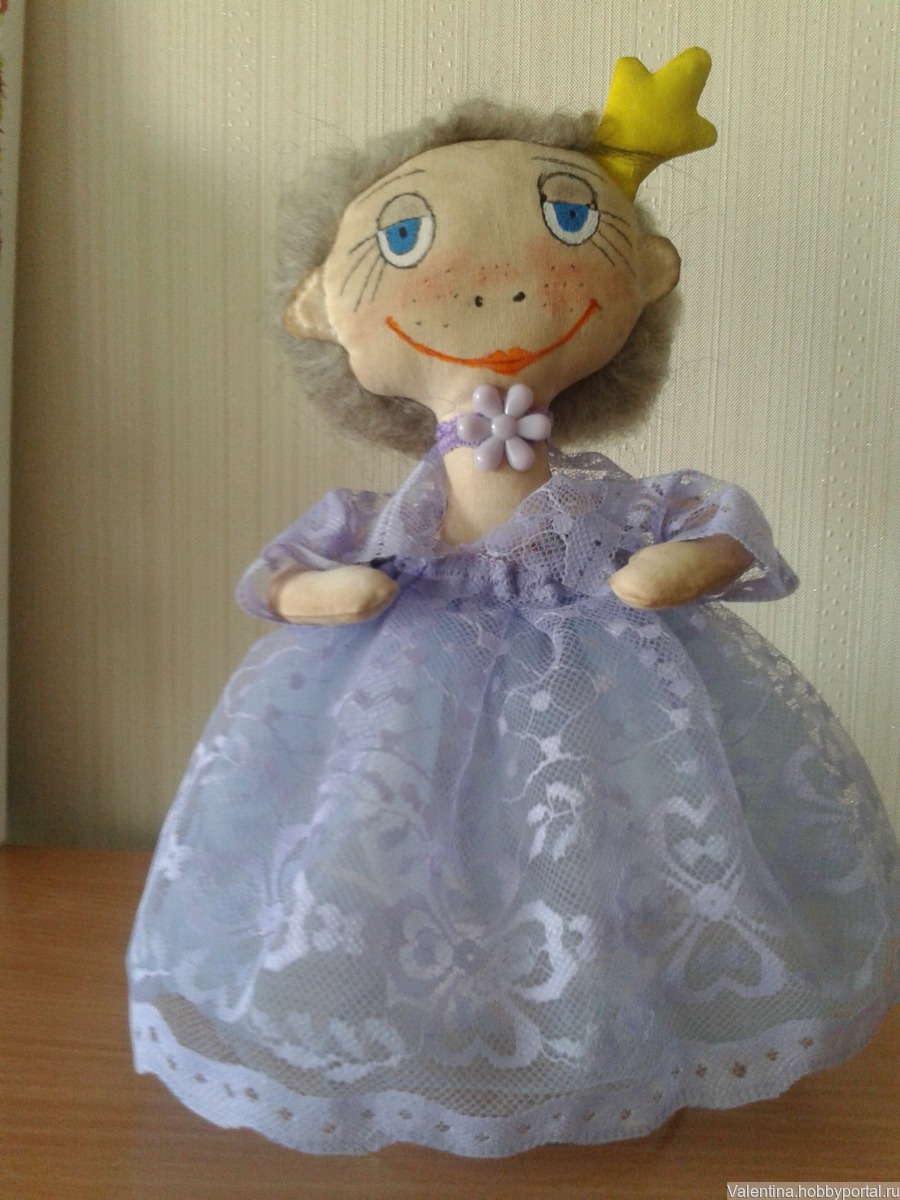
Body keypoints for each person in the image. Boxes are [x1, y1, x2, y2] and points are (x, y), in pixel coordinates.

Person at [128, 50, 899, 1157]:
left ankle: (615, 1033)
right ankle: (426, 1038)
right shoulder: (376, 522)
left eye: (571, 226)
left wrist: (678, 566)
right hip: (399, 676)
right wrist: (326, 587)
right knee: (395, 855)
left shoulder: (610, 506)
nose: (490, 284)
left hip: (610, 673)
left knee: (618, 849)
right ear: (321, 306)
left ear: (646, 275)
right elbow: (283, 574)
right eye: (403, 241)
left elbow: (716, 524)